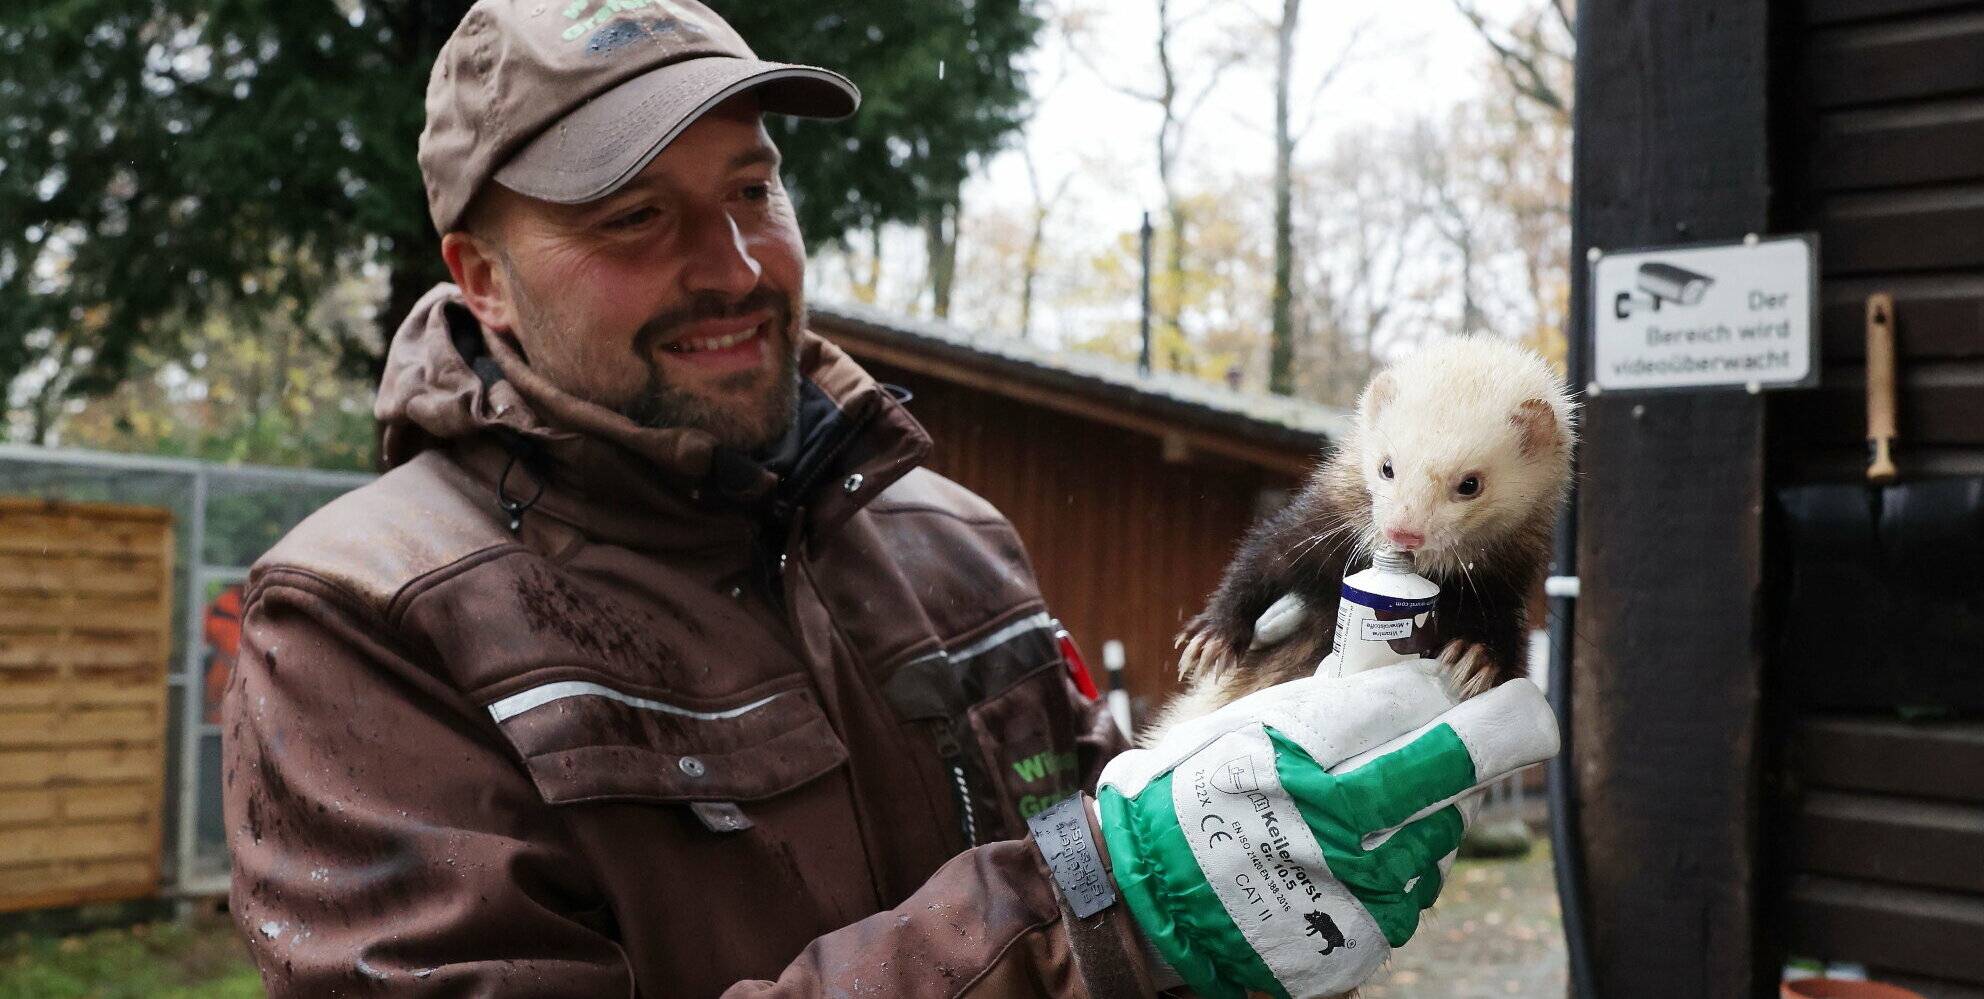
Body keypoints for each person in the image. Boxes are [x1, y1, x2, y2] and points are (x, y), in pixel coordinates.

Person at [222, 2, 1559, 996]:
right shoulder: (360, 622)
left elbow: (1082, 845)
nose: (735, 261)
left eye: (753, 188)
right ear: (483, 274)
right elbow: (1085, 908)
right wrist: (1111, 919)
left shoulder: (952, 544)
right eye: (633, 217)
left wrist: (1229, 854)